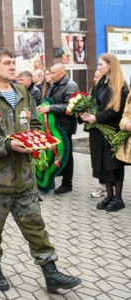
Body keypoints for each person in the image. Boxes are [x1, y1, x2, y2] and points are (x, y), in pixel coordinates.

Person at [0, 47, 81, 293]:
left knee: (35, 226)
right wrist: (8, 144)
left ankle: (50, 272)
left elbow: (35, 123)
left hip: (25, 178)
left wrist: (36, 140)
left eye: (13, 62)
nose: (12, 66)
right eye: (6, 63)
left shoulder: (23, 93)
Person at [80, 53, 129, 212]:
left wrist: (97, 117)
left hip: (112, 131)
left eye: (101, 64)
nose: (98, 67)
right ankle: (108, 195)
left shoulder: (120, 86)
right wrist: (85, 114)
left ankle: (118, 198)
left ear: (110, 65)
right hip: (97, 132)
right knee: (102, 164)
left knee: (113, 165)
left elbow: (116, 110)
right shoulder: (100, 82)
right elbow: (92, 102)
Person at [39, 63, 79, 194]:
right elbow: (48, 100)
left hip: (64, 127)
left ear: (62, 73)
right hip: (53, 126)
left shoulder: (71, 86)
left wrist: (50, 108)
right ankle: (51, 180)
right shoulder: (54, 84)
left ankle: (68, 183)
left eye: (53, 73)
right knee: (54, 153)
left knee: (66, 155)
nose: (51, 76)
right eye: (50, 73)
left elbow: (70, 108)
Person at [88, 70, 106, 198]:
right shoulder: (94, 88)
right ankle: (102, 184)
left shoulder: (105, 89)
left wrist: (96, 117)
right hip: (94, 129)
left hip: (103, 128)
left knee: (103, 160)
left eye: (97, 76)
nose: (94, 79)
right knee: (96, 159)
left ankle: (105, 186)